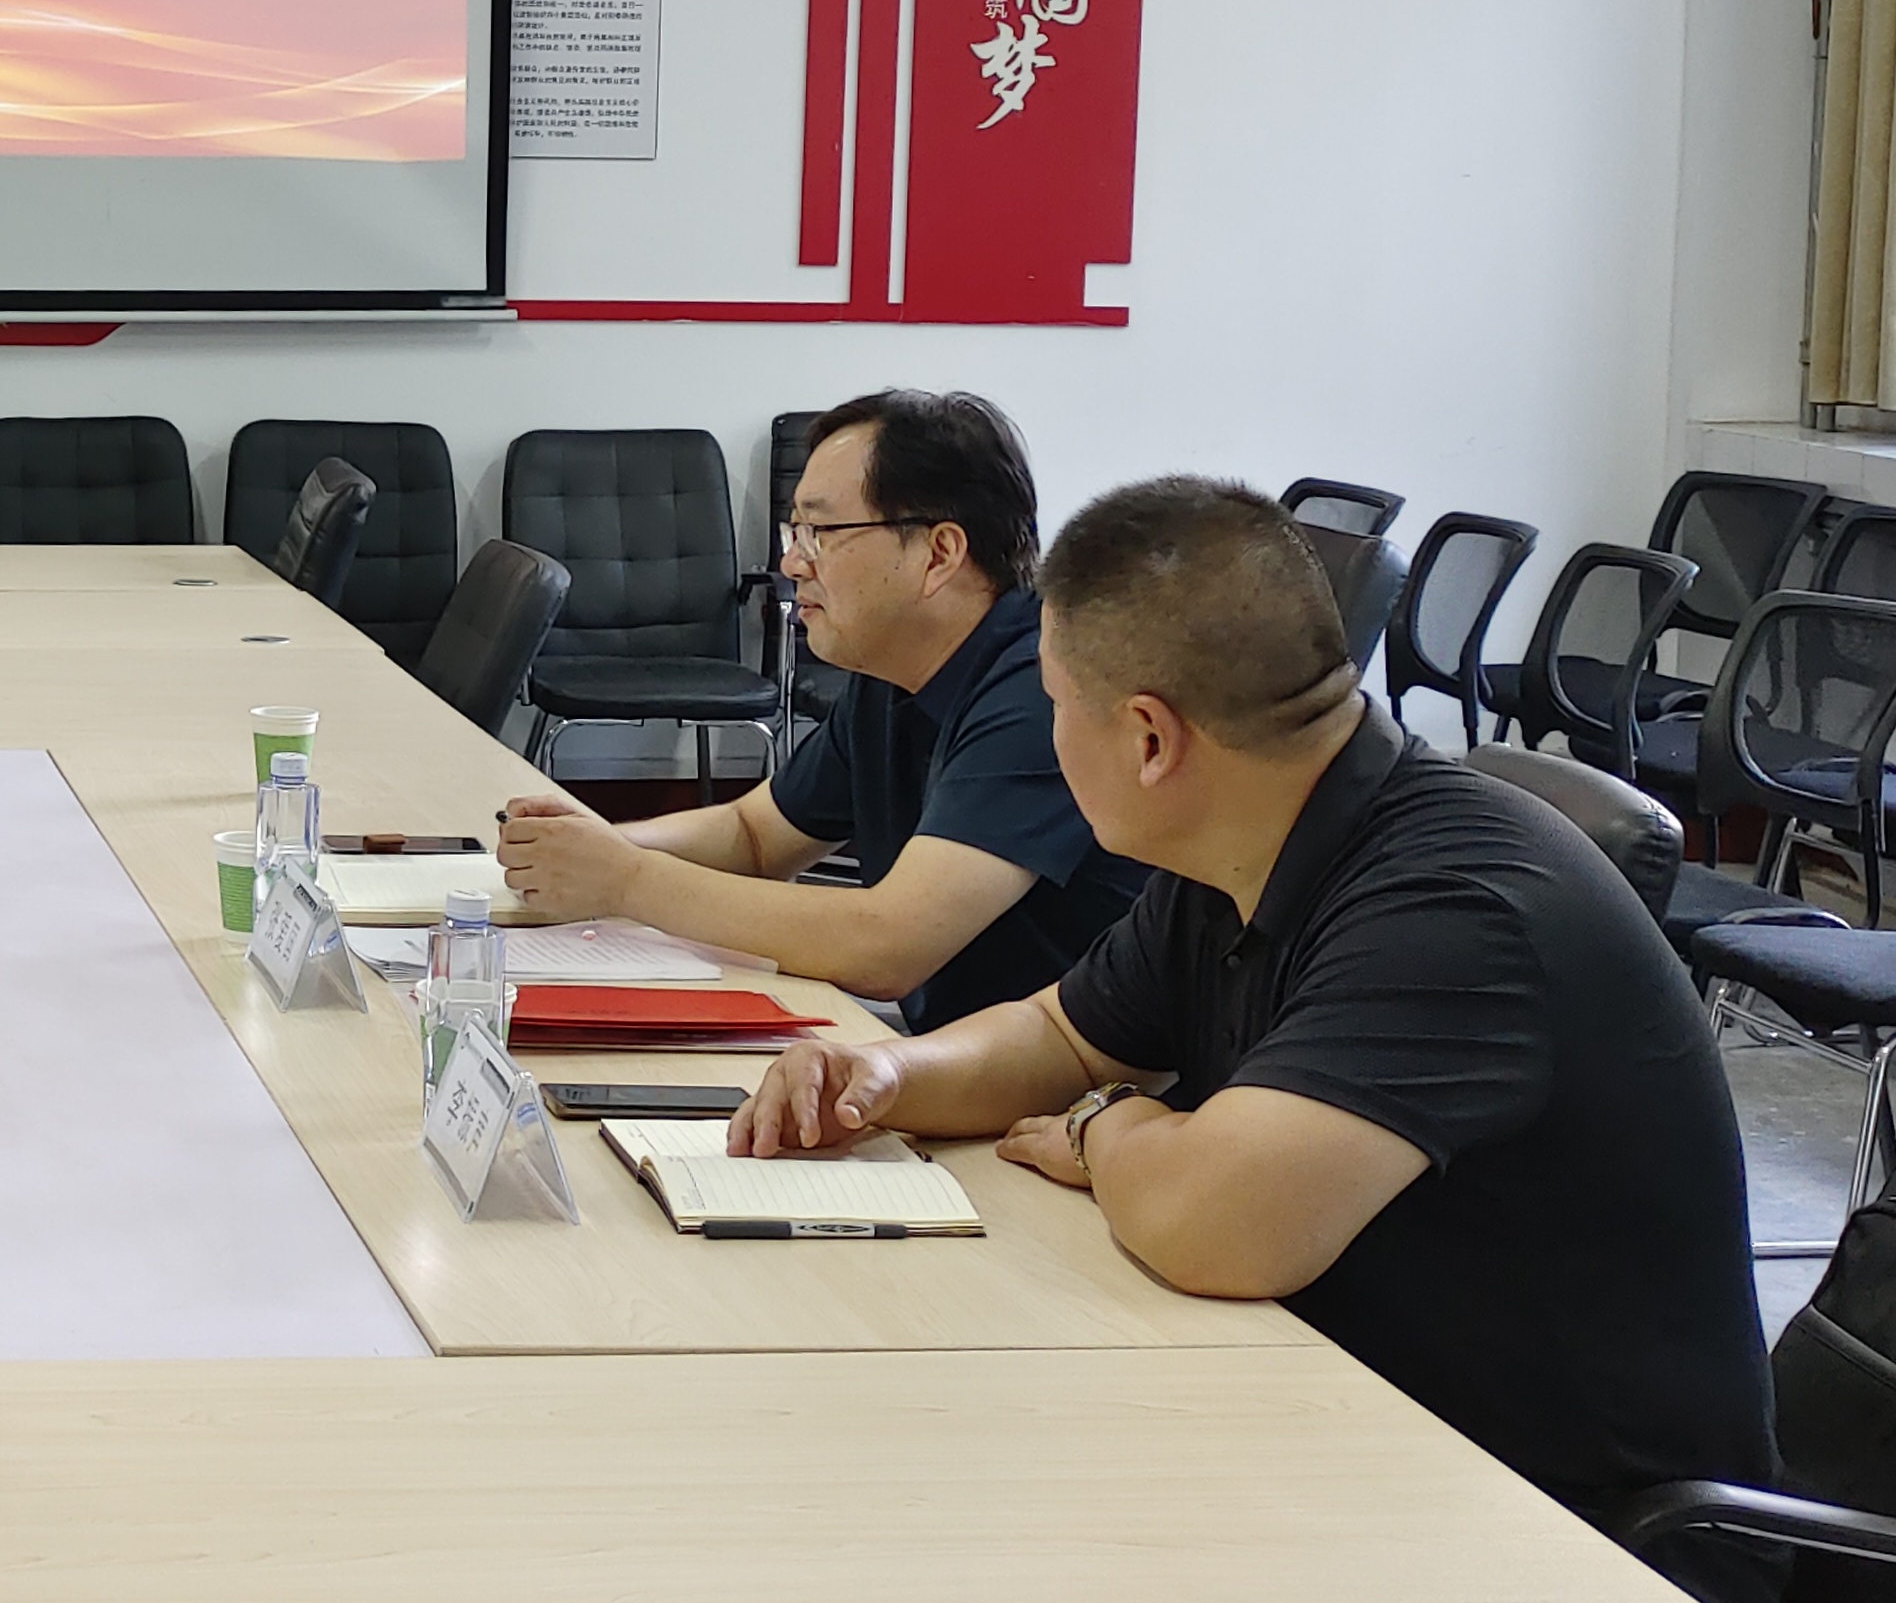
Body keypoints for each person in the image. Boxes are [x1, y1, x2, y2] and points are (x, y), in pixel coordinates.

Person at [730, 474, 1775, 1512]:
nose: (1048, 736)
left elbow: (1211, 1225)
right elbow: (1063, 1036)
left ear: (1150, 740)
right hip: (1364, 1434)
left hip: (1575, 1537)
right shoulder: (1242, 840)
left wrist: (1104, 1126)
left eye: (1054, 705)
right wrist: (886, 1074)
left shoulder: (1456, 907)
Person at [496, 389, 1147, 1025]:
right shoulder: (893, 671)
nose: (790, 562)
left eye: (821, 532)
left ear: (939, 554)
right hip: (960, 1054)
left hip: (1071, 1083)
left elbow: (888, 946)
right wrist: (585, 848)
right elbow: (755, 836)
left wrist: (625, 881)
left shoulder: (1042, 689)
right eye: (795, 531)